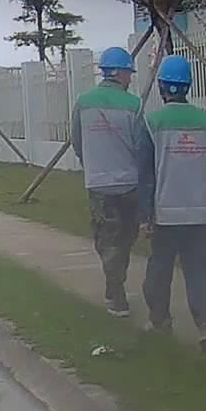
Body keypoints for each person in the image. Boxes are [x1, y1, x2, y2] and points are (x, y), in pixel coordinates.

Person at [136, 55, 206, 354]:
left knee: (159, 271)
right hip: (203, 212)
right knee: (201, 271)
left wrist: (145, 215)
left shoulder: (152, 123)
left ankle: (160, 321)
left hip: (166, 214)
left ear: (161, 86)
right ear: (188, 86)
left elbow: (146, 175)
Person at [72, 46, 144, 317]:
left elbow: (76, 140)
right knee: (126, 237)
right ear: (120, 73)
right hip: (129, 183)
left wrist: (91, 163)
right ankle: (116, 289)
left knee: (107, 239)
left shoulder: (83, 102)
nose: (130, 78)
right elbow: (141, 146)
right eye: (129, 73)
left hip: (99, 183)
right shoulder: (134, 105)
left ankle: (115, 287)